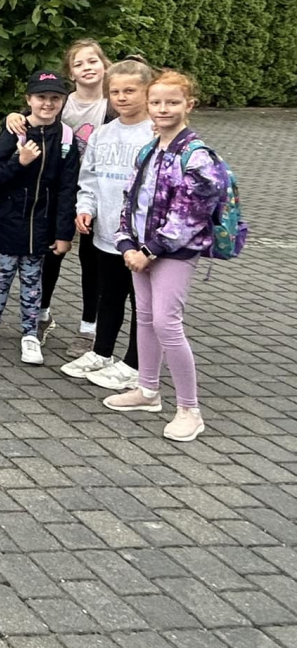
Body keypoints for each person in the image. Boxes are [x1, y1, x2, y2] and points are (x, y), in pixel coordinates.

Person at [102, 69, 228, 442]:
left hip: (172, 253)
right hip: (140, 251)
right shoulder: (149, 150)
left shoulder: (197, 156)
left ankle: (190, 410)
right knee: (144, 318)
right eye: (156, 102)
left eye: (172, 102)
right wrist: (126, 243)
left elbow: (191, 214)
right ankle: (148, 390)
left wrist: (150, 250)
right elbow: (130, 200)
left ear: (189, 105)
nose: (163, 108)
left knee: (167, 324)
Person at [0, 70, 81, 365]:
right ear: (29, 99)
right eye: (41, 97)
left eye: (55, 98)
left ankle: (30, 335)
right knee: (0, 278)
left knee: (33, 282)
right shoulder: (14, 130)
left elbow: (68, 188)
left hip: (41, 226)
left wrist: (64, 233)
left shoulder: (66, 138)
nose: (47, 103)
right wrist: (20, 161)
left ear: (63, 101)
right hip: (8, 223)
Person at [5, 38, 114, 339]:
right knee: (51, 253)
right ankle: (41, 314)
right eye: (79, 63)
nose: (87, 67)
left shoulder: (114, 105)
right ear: (71, 72)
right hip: (57, 190)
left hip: (99, 193)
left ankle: (89, 327)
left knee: (92, 260)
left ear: (105, 65)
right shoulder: (62, 103)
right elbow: (32, 117)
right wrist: (13, 117)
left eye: (92, 61)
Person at [62, 57, 154, 386]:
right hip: (106, 233)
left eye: (130, 90)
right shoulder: (102, 134)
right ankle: (102, 352)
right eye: (115, 92)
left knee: (142, 303)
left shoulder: (155, 134)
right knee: (109, 296)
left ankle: (135, 365)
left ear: (147, 91)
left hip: (142, 239)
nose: (122, 97)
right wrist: (85, 207)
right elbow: (89, 179)